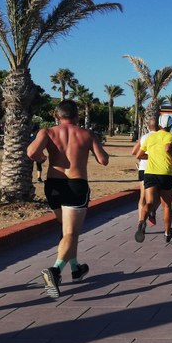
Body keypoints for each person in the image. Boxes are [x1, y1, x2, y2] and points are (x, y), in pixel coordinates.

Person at [27, 100, 109, 299]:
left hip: (53, 186)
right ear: (77, 116)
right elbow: (103, 160)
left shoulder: (47, 132)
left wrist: (43, 159)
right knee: (71, 232)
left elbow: (31, 153)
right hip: (75, 185)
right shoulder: (86, 134)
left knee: (66, 230)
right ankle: (54, 271)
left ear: (57, 115)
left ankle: (76, 268)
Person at [135, 117, 172, 243]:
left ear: (159, 125)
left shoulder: (150, 138)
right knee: (166, 205)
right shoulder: (170, 136)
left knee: (149, 202)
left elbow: (139, 155)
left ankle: (141, 222)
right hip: (165, 173)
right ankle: (167, 233)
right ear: (170, 126)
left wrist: (152, 156)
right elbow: (167, 148)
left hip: (150, 173)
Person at [131, 128, 158, 227]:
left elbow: (134, 152)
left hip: (143, 168)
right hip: (155, 169)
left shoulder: (143, 137)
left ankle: (140, 221)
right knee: (155, 197)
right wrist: (152, 156)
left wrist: (145, 155)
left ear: (147, 127)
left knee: (142, 196)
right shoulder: (160, 137)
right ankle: (152, 211)